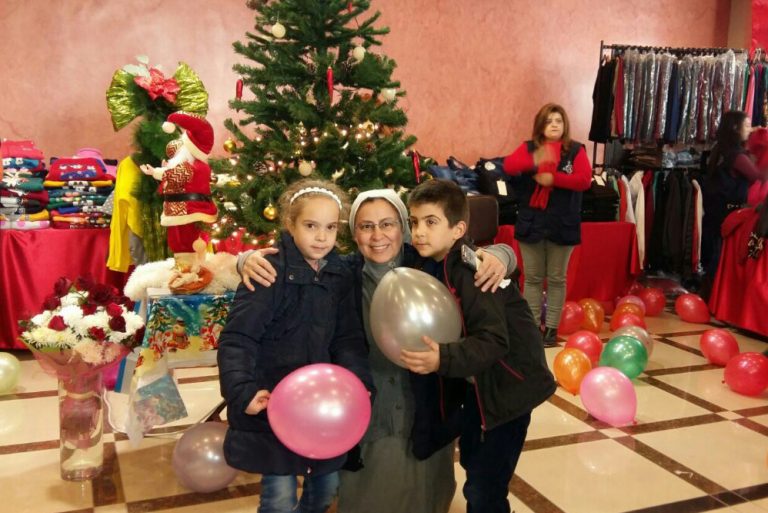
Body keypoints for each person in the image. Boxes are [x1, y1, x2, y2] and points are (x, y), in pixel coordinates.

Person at [238, 188, 516, 513]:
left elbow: (470, 254)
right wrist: (244, 259)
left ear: (403, 227)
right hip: (367, 413)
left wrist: (503, 255)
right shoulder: (340, 272)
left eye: (387, 224)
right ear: (354, 232)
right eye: (366, 226)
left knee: (427, 497)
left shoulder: (429, 263)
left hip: (426, 410)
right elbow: (291, 266)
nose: (377, 235)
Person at [217, 178, 373, 513]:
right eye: (311, 226)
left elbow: (348, 338)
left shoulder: (339, 274)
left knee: (325, 489)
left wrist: (360, 383)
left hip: (324, 410)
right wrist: (242, 391)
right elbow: (237, 339)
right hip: (272, 407)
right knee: (279, 497)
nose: (321, 237)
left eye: (330, 227)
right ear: (290, 223)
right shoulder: (267, 272)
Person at [401, 178, 556, 513]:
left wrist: (442, 357)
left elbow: (494, 341)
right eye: (414, 222)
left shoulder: (471, 272)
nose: (419, 232)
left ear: (458, 229)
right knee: (474, 460)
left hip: (508, 390)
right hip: (478, 387)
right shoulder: (429, 263)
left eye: (431, 222)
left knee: (485, 489)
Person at [502, 103, 592, 346]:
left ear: (565, 126)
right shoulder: (529, 148)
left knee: (556, 279)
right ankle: (531, 328)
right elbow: (509, 166)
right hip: (532, 223)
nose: (554, 125)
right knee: (531, 278)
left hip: (562, 224)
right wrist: (535, 161)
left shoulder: (575, 150)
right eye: (549, 121)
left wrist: (555, 178)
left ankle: (551, 329)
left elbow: (584, 180)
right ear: (540, 125)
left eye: (558, 121)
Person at [701, 110, 767, 298]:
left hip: (715, 209)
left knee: (715, 254)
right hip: (726, 211)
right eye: (746, 126)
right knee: (719, 256)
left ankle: (710, 294)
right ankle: (713, 296)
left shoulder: (720, 149)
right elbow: (757, 176)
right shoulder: (736, 156)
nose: (749, 129)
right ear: (735, 128)